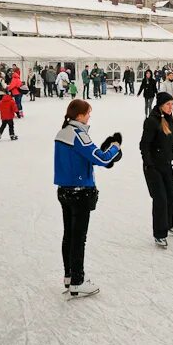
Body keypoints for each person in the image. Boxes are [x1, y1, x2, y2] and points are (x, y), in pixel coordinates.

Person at [54, 99, 122, 297]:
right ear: (79, 116)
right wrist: (115, 147)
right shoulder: (78, 134)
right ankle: (77, 280)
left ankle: (69, 276)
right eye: (88, 113)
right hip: (80, 192)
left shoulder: (62, 132)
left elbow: (82, 157)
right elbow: (101, 158)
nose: (89, 116)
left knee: (69, 235)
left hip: (65, 190)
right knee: (78, 238)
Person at [140, 92, 173, 248]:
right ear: (160, 105)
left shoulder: (170, 120)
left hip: (166, 165)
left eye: (172, 104)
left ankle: (168, 224)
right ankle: (159, 233)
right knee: (160, 199)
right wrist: (149, 165)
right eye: (167, 104)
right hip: (153, 167)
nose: (171, 107)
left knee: (171, 194)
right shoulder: (151, 122)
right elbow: (144, 145)